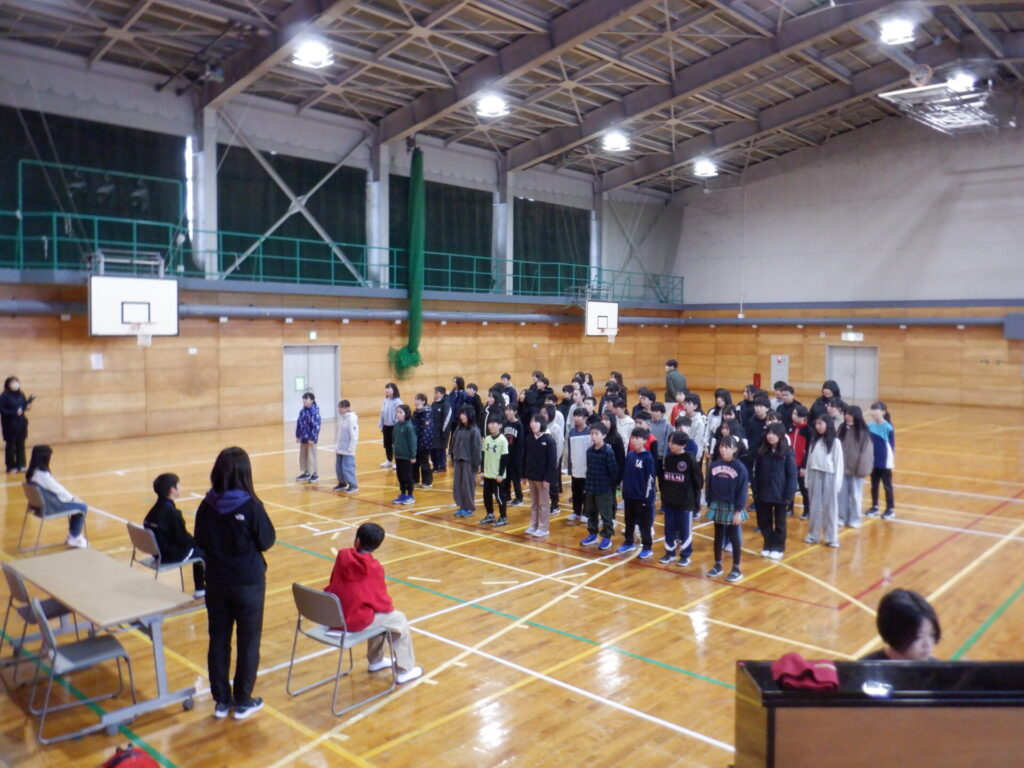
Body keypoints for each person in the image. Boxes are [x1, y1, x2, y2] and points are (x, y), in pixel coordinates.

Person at [194, 447, 276, 720]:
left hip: (217, 583)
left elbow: (200, 542)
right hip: (248, 583)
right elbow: (267, 540)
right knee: (248, 641)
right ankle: (242, 700)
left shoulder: (206, 506)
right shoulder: (251, 506)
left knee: (218, 640)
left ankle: (221, 700)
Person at [324, 522, 423, 683]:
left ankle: (376, 661)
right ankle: (405, 669)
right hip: (350, 621)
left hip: (332, 614)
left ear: (357, 540)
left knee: (378, 616)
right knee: (397, 619)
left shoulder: (342, 556)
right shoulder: (373, 567)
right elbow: (383, 603)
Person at [144, 473, 206, 597]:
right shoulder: (172, 513)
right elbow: (183, 540)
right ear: (172, 490)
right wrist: (199, 541)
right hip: (169, 555)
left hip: (157, 553)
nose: (180, 488)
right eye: (179, 485)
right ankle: (200, 588)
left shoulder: (152, 512)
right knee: (204, 551)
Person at [25, 445, 88, 548]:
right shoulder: (42, 475)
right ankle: (74, 537)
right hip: (49, 508)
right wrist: (73, 498)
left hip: (37, 507)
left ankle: (73, 536)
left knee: (76, 504)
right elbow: (58, 489)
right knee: (82, 507)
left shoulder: (32, 473)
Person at [705, 435, 748, 582]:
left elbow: (742, 490)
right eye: (721, 446)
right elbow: (709, 484)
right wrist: (709, 501)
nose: (723, 450)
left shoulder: (740, 468)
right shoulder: (714, 465)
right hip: (718, 504)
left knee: (734, 537)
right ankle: (717, 565)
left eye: (727, 447)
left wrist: (738, 510)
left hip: (733, 506)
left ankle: (736, 568)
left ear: (734, 449)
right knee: (718, 536)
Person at [752, 423, 797, 560]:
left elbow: (792, 475)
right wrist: (756, 490)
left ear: (780, 435)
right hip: (764, 493)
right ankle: (767, 544)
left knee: (780, 523)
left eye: (774, 433)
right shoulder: (762, 452)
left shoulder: (787, 452)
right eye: (769, 433)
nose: (770, 436)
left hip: (780, 495)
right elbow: (756, 473)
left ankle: (778, 547)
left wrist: (788, 495)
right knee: (765, 522)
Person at [659, 431, 702, 565]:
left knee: (684, 530)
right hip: (670, 501)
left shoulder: (689, 458)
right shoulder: (668, 458)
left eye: (674, 442)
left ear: (683, 444)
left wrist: (693, 500)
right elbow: (664, 479)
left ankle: (685, 555)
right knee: (669, 529)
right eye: (670, 442)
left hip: (685, 502)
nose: (670, 445)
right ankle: (669, 553)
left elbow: (698, 480)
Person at [861, 589, 940, 661]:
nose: (927, 644)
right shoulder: (865, 669)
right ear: (896, 634)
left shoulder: (936, 668)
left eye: (931, 634)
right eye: (917, 637)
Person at [804, 415, 844, 547]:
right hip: (814, 474)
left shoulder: (835, 442)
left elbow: (839, 464)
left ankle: (831, 537)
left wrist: (837, 484)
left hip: (829, 476)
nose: (818, 426)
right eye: (816, 424)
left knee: (830, 507)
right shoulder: (814, 440)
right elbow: (809, 461)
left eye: (821, 424)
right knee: (814, 507)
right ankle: (813, 534)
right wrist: (807, 479)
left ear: (828, 424)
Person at [580, 422, 619, 551]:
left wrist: (610, 487)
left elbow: (613, 472)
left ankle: (607, 537)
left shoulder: (608, 452)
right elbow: (589, 469)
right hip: (591, 487)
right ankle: (592, 534)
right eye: (592, 434)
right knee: (591, 513)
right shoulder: (589, 451)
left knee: (606, 515)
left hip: (604, 490)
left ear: (603, 435)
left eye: (596, 434)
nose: (593, 436)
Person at [620, 427, 657, 559]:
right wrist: (625, 491)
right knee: (628, 521)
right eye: (633, 438)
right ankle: (628, 542)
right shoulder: (630, 455)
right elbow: (626, 475)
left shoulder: (648, 458)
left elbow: (650, 479)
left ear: (645, 440)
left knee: (644, 524)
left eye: (637, 438)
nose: (634, 441)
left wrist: (647, 498)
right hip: (629, 496)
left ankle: (647, 546)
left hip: (642, 498)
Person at [522, 413, 558, 538]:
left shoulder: (549, 440)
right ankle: (533, 525)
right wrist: (524, 475)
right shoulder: (529, 439)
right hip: (531, 476)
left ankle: (543, 528)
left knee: (543, 503)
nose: (533, 424)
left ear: (542, 424)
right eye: (531, 422)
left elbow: (552, 462)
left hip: (543, 478)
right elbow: (524, 457)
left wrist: (547, 478)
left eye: (536, 422)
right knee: (534, 502)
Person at [838, 405, 873, 528]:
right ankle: (841, 517)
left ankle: (855, 519)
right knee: (841, 496)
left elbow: (866, 452)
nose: (847, 416)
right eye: (846, 414)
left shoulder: (863, 432)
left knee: (855, 496)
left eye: (850, 414)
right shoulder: (842, 428)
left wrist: (862, 470)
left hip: (856, 470)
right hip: (842, 469)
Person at [867, 401, 896, 519]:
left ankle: (890, 509)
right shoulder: (869, 426)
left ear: (883, 412)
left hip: (884, 462)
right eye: (872, 410)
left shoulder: (888, 427)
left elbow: (891, 446)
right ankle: (874, 506)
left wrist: (888, 461)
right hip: (873, 461)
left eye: (876, 410)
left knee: (887, 486)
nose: (874, 412)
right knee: (874, 485)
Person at [451, 406, 481, 517]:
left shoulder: (474, 430)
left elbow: (477, 449)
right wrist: (453, 456)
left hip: (469, 462)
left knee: (468, 486)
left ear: (470, 415)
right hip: (458, 460)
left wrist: (476, 465)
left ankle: (469, 507)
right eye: (461, 414)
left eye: (464, 414)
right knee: (458, 485)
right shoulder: (458, 429)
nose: (462, 416)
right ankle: (462, 506)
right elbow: (453, 443)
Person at [479, 419, 509, 526]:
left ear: (500, 425)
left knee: (499, 497)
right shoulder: (487, 439)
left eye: (493, 423)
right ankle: (490, 514)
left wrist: (500, 474)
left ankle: (503, 517)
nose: (490, 426)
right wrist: (482, 471)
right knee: (486, 496)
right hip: (487, 474)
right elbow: (483, 456)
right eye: (489, 423)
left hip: (497, 476)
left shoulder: (503, 440)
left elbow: (504, 458)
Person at [565, 408, 591, 524]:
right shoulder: (572, 432)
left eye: (579, 416)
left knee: (586, 492)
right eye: (574, 416)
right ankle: (576, 512)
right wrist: (570, 466)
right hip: (575, 466)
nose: (576, 418)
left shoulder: (590, 431)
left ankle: (586, 513)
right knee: (575, 491)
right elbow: (570, 450)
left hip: (586, 467)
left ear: (585, 418)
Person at [1, 376, 31, 473]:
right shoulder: (4, 396)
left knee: (21, 444)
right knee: (11, 445)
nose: (15, 384)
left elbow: (23, 406)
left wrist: (27, 406)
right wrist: (13, 413)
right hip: (9, 424)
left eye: (16, 381)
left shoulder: (21, 394)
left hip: (21, 423)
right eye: (13, 382)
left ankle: (21, 464)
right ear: (8, 384)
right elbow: (2, 410)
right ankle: (11, 466)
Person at [789, 404, 812, 519]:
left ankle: (807, 510)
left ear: (803, 417)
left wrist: (804, 466)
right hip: (790, 463)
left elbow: (808, 450)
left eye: (796, 414)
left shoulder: (808, 430)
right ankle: (789, 508)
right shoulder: (790, 427)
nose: (793, 416)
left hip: (801, 464)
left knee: (803, 488)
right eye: (793, 413)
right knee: (790, 486)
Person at [391, 404, 417, 505]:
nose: (398, 414)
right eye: (397, 412)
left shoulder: (408, 426)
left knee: (407, 477)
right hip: (398, 456)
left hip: (406, 457)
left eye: (400, 412)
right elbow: (394, 440)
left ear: (406, 414)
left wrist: (413, 456)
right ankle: (402, 494)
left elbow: (412, 442)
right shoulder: (396, 426)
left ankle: (410, 495)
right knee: (400, 476)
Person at [501, 403, 525, 506]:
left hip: (515, 457)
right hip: (506, 455)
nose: (508, 412)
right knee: (506, 478)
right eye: (506, 409)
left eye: (510, 410)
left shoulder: (519, 425)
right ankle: (507, 496)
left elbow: (520, 443)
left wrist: (518, 457)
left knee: (516, 479)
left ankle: (519, 497)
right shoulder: (505, 423)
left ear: (515, 412)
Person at [333, 400, 359, 493]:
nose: (340, 409)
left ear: (347, 408)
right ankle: (342, 483)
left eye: (343, 407)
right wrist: (337, 446)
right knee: (339, 467)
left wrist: (351, 448)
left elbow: (354, 435)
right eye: (339, 407)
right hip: (340, 447)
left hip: (348, 448)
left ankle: (353, 485)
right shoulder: (341, 418)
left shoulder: (351, 418)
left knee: (347, 467)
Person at [295, 392, 321, 483]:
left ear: (312, 400)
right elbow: (299, 423)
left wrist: (312, 438)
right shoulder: (302, 411)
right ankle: (306, 473)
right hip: (304, 437)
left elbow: (316, 426)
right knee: (303, 455)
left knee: (312, 456)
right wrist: (298, 435)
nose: (304, 400)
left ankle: (315, 474)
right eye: (304, 399)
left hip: (311, 439)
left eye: (306, 399)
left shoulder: (314, 412)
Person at [411, 393, 434, 490]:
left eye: (418, 400)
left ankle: (427, 482)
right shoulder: (416, 412)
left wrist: (422, 443)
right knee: (414, 462)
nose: (416, 401)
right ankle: (415, 480)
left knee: (424, 462)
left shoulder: (427, 413)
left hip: (424, 443)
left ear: (423, 401)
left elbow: (426, 430)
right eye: (415, 399)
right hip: (415, 441)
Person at [378, 383, 402, 470]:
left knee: (395, 445)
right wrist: (381, 425)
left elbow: (399, 414)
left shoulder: (397, 401)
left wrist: (398, 425)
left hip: (394, 426)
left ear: (393, 390)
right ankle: (389, 460)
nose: (387, 392)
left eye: (388, 390)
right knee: (387, 444)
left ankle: (397, 462)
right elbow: (382, 413)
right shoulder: (385, 401)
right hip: (386, 426)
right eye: (386, 390)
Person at [430, 386, 451, 473]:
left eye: (436, 393)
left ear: (442, 394)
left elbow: (447, 419)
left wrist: (444, 432)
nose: (435, 394)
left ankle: (442, 466)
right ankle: (435, 466)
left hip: (441, 433)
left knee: (440, 450)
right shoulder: (433, 404)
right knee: (433, 450)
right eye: (434, 392)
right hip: (433, 432)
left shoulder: (446, 404)